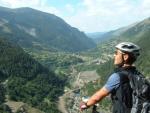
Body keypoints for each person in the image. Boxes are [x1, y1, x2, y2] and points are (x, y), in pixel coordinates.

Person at [80, 42, 141, 113]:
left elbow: (97, 97)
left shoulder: (117, 77)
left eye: (116, 53)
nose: (114, 55)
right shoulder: (137, 74)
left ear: (125, 57)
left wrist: (86, 105)